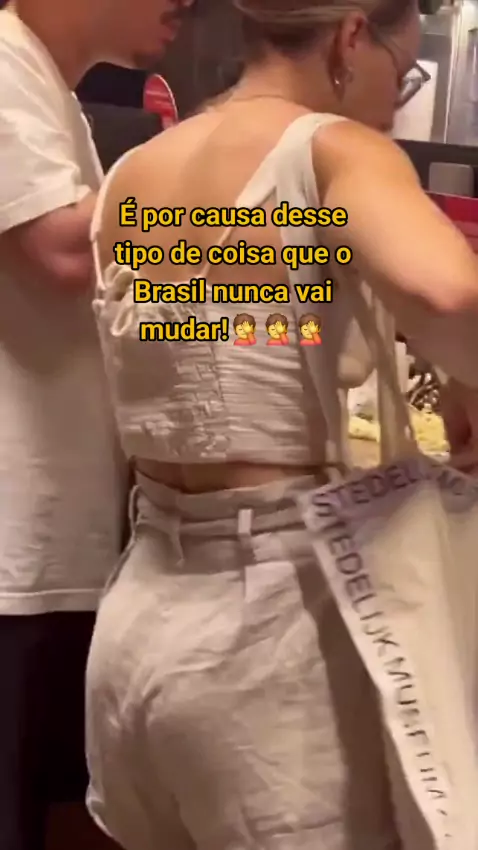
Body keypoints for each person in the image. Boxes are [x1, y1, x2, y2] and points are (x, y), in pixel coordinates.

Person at [86, 0, 478, 848]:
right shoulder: (333, 149)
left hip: (140, 622)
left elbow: (235, 307)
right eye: (401, 72)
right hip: (272, 632)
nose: (394, 100)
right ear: (349, 37)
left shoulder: (136, 170)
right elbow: (452, 297)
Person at [0, 1, 191, 848]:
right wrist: (215, 167)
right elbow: (63, 250)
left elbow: (119, 263)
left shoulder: (50, 88)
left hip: (55, 536)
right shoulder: (2, 63)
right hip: (14, 541)